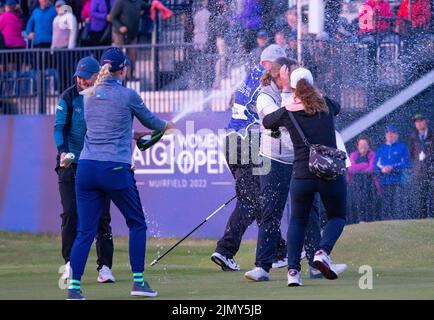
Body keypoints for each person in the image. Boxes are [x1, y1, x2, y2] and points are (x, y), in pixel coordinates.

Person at [67, 48, 174, 300]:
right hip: (114, 169)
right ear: (123, 69)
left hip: (87, 168)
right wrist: (168, 126)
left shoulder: (88, 94)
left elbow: (103, 127)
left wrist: (131, 135)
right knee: (136, 223)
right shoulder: (128, 95)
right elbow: (152, 122)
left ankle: (73, 288)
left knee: (85, 231)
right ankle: (138, 282)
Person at [262, 67, 347, 286]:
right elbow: (337, 107)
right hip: (328, 172)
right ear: (312, 83)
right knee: (337, 216)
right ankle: (322, 252)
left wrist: (286, 105)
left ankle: (293, 274)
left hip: (301, 175)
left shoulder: (288, 110)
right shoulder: (326, 103)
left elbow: (267, 122)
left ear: (292, 87)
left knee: (297, 220)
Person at [211, 44, 290, 272]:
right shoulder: (265, 81)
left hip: (233, 141)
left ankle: (273, 251)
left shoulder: (251, 75)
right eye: (280, 65)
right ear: (268, 64)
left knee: (253, 200)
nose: (283, 69)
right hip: (248, 142)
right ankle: (231, 250)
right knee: (254, 200)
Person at [54, 56, 116, 284]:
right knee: (71, 213)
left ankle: (105, 267)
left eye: (85, 77)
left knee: (102, 217)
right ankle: (70, 264)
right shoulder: (68, 97)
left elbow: (114, 126)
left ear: (95, 76)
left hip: (97, 163)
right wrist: (62, 151)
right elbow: (59, 128)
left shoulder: (106, 96)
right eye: (78, 77)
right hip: (70, 164)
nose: (81, 81)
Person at [374, 125, 411, 220]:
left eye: (392, 132)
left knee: (397, 204)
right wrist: (382, 169)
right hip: (384, 182)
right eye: (388, 132)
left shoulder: (402, 147)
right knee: (385, 204)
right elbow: (375, 165)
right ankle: (386, 221)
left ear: (397, 134)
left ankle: (398, 220)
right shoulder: (381, 149)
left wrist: (392, 168)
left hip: (398, 182)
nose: (390, 134)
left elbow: (406, 163)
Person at [347, 137, 379, 223]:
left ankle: (369, 220)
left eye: (365, 144)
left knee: (369, 202)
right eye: (361, 144)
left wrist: (358, 168)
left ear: (369, 146)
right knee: (357, 202)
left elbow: (371, 168)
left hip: (369, 184)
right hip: (356, 184)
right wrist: (364, 165)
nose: (363, 146)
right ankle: (359, 220)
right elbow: (350, 169)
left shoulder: (372, 154)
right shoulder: (353, 155)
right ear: (357, 146)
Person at [408, 114, 433, 219]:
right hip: (420, 172)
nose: (419, 123)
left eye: (421, 120)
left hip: (432, 170)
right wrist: (418, 165)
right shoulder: (413, 137)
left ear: (425, 121)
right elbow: (411, 154)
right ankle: (421, 219)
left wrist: (428, 158)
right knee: (421, 198)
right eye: (416, 121)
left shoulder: (432, 134)